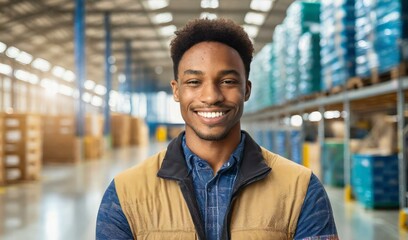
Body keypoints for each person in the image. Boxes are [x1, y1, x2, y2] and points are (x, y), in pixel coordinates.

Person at [96, 18, 338, 240]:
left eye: (228, 81)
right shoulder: (125, 195)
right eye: (194, 82)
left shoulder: (301, 189)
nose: (211, 96)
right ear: (176, 90)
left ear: (246, 89)